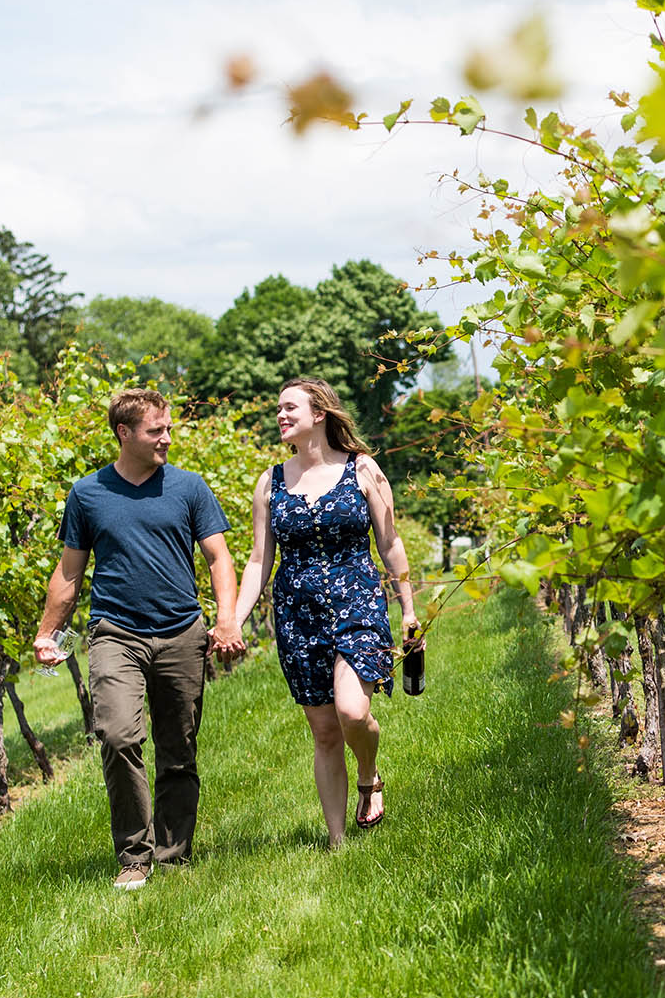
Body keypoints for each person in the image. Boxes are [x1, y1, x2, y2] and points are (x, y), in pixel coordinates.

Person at [35, 389, 245, 890]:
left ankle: (172, 856)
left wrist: (228, 619)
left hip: (181, 632)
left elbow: (220, 558)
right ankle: (134, 856)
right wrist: (49, 633)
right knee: (118, 735)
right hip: (115, 633)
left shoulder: (190, 487)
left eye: (169, 428)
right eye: (156, 431)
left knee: (179, 748)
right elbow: (69, 572)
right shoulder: (88, 494)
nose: (167, 438)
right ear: (124, 433)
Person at [232, 376, 417, 849]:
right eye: (279, 408)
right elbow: (258, 561)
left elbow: (390, 543)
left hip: (358, 603)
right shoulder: (270, 482)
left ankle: (370, 773)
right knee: (324, 732)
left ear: (319, 414)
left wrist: (409, 610)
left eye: (290, 407)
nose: (281, 415)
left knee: (352, 712)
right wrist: (232, 618)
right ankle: (336, 841)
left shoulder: (363, 470)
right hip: (298, 617)